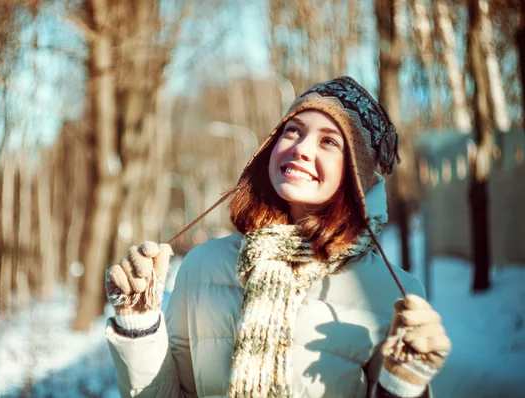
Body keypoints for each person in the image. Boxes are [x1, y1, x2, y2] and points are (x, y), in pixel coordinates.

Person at [104, 76, 450, 398]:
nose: (301, 148)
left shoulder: (391, 294)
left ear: (356, 175)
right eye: (293, 131)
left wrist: (403, 385)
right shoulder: (203, 265)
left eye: (329, 141)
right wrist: (139, 326)